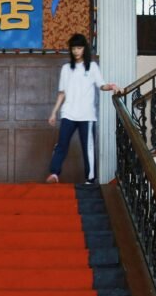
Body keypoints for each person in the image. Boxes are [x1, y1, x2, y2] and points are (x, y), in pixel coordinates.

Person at [46, 33, 117, 185]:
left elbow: (101, 85)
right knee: (61, 144)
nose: (76, 51)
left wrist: (110, 86)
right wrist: (54, 112)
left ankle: (90, 179)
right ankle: (54, 173)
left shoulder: (92, 67)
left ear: (84, 49)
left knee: (88, 148)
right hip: (68, 113)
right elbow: (62, 93)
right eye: (73, 48)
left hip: (87, 116)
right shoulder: (66, 69)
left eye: (79, 48)